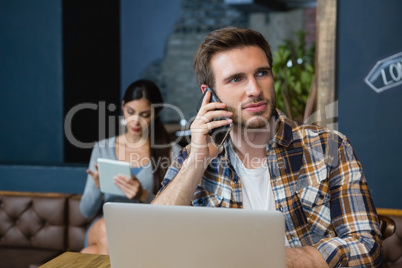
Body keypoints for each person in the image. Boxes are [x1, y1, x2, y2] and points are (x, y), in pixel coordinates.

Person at [152, 27, 383, 267]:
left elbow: (368, 249)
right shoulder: (192, 158)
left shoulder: (329, 147)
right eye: (236, 78)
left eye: (262, 73)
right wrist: (196, 162)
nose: (254, 89)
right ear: (209, 94)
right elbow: (152, 240)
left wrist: (269, 259)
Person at [80, 79, 180, 254]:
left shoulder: (172, 153)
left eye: (144, 115)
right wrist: (98, 187)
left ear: (156, 113)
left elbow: (177, 214)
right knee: (106, 231)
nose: (135, 121)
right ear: (123, 106)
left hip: (149, 230)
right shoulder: (102, 149)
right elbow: (86, 211)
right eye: (130, 112)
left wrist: (142, 195)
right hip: (106, 225)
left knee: (89, 254)